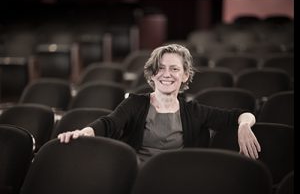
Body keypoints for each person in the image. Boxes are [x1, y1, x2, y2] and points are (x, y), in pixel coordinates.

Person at [58, 44, 260, 164]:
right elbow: (109, 123)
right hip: (137, 179)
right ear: (152, 74)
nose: (167, 74)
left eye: (174, 69)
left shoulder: (193, 111)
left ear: (185, 75)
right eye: (160, 68)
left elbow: (241, 114)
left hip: (177, 180)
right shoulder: (135, 103)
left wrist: (243, 125)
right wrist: (83, 133)